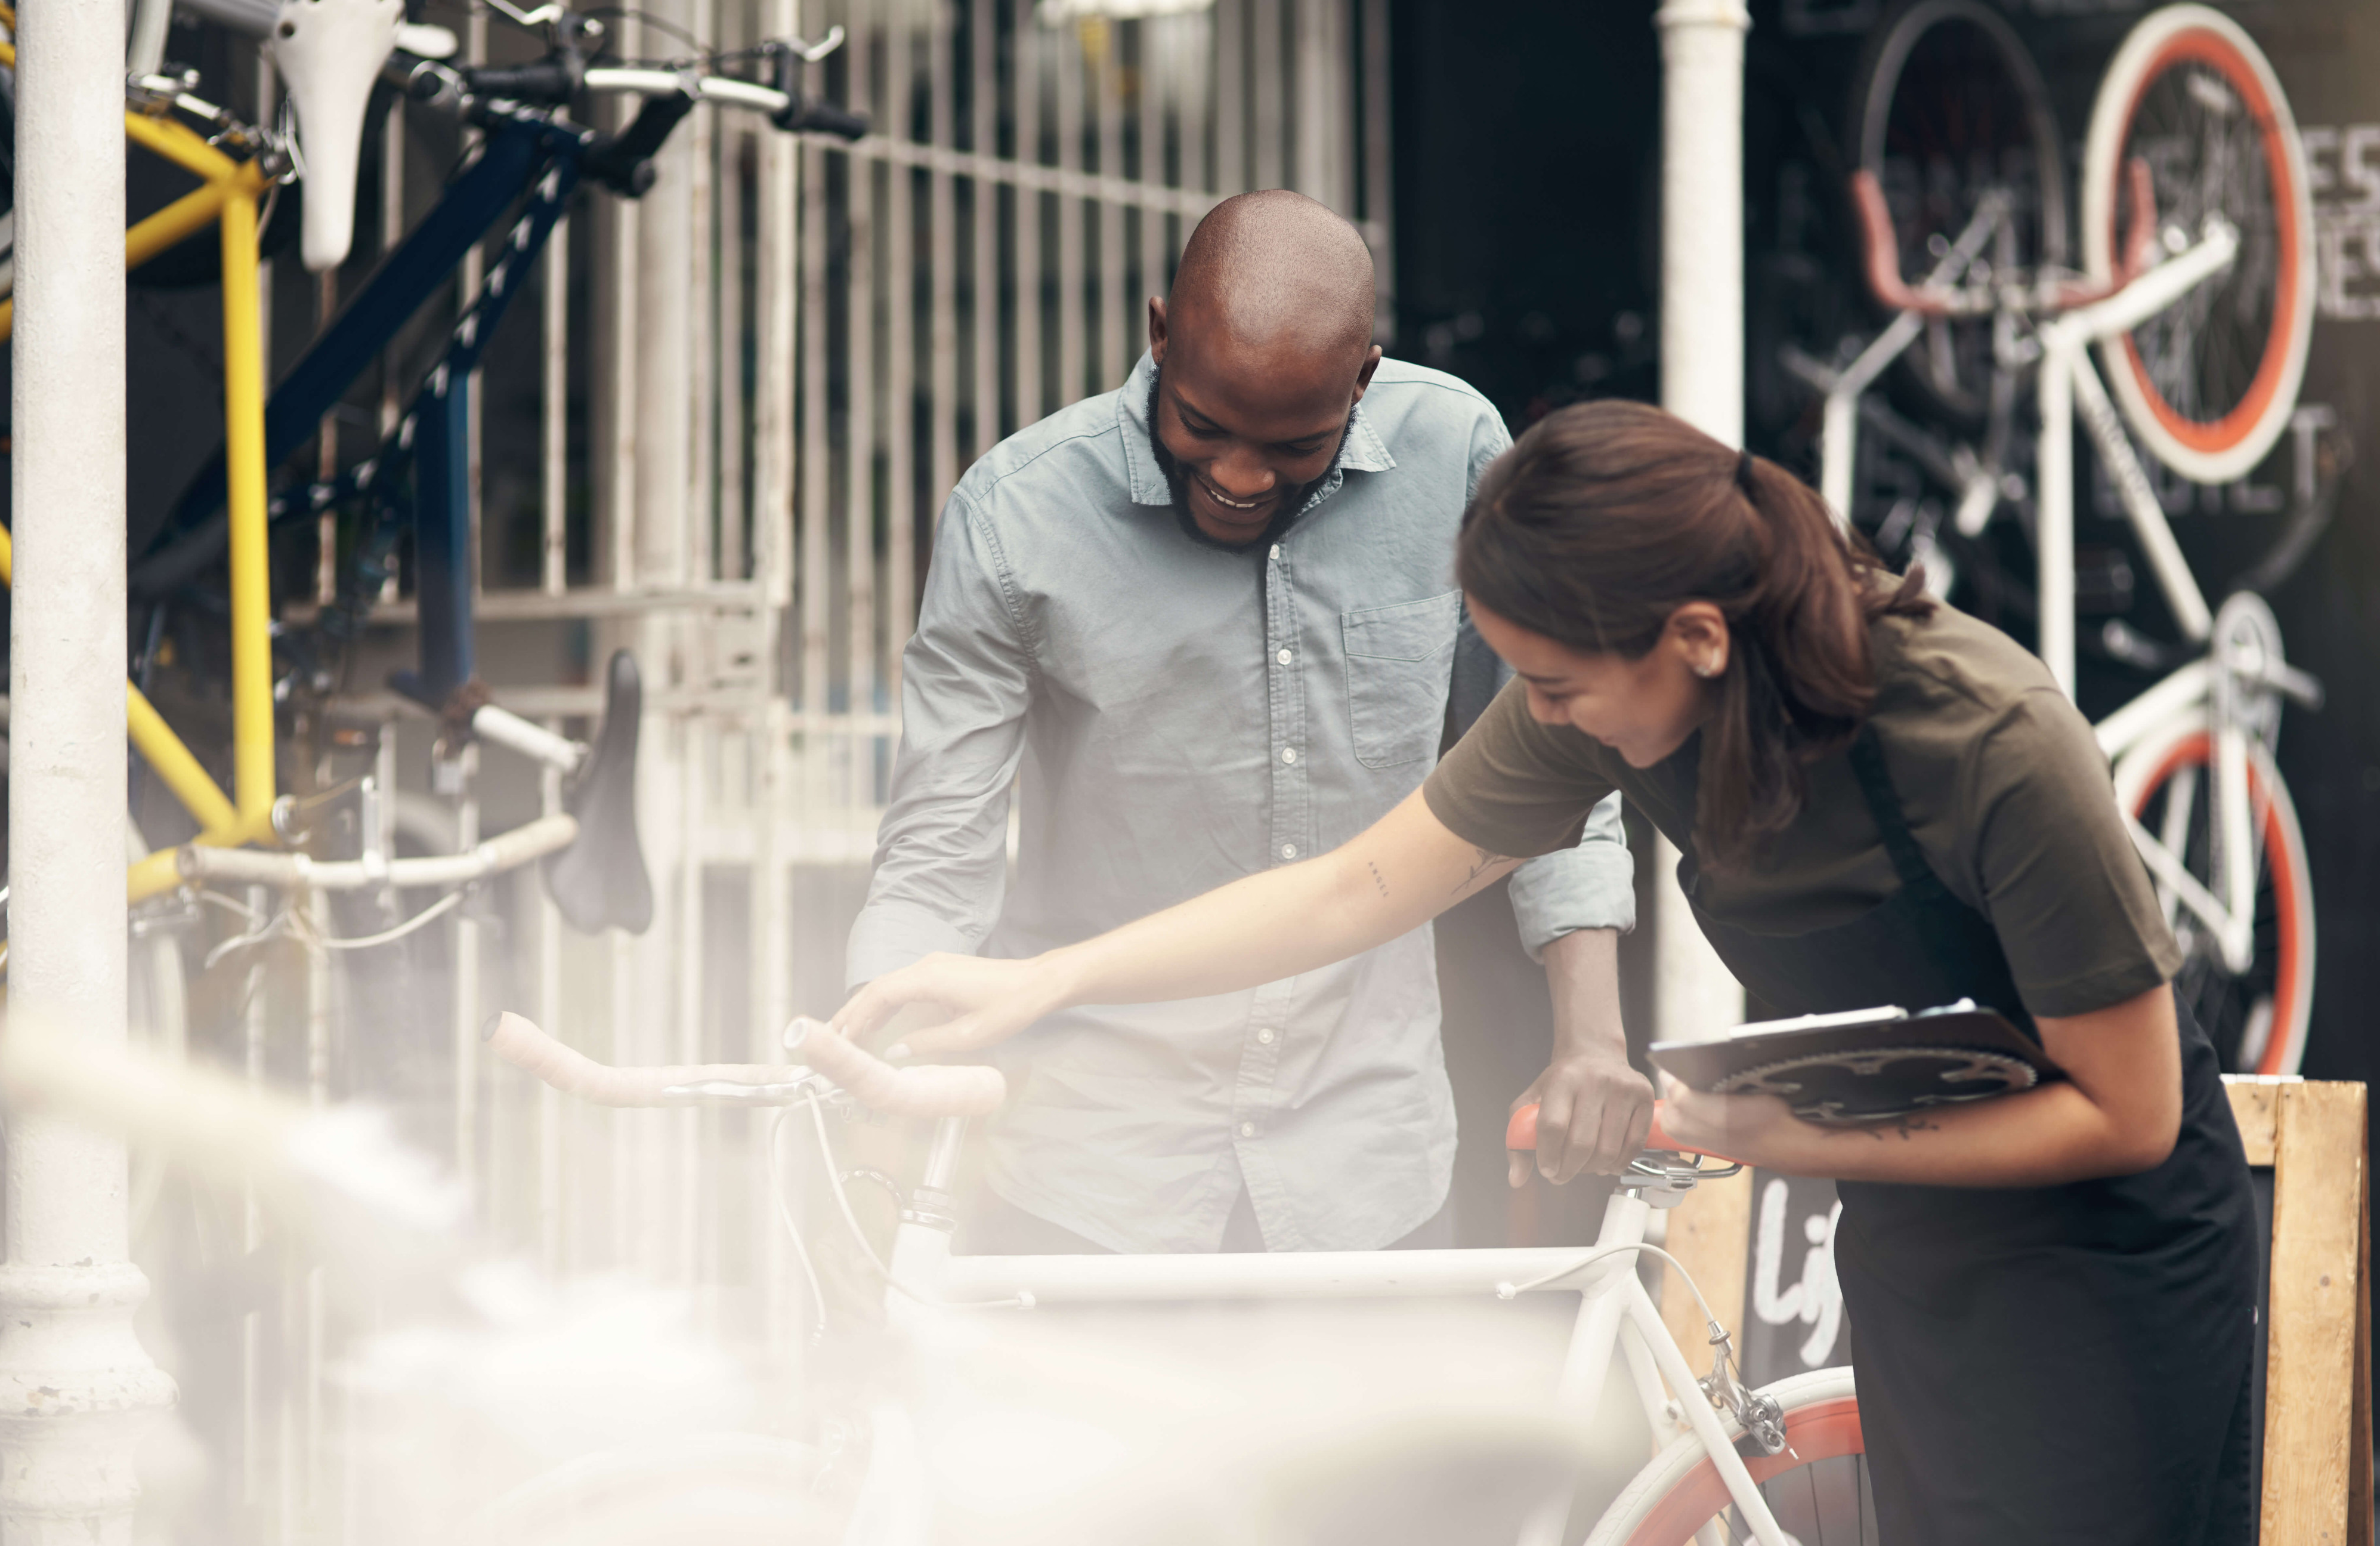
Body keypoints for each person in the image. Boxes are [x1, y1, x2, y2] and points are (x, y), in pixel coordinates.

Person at [836, 399, 2257, 1543]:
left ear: (1694, 639)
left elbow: (2120, 1113)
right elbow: (1351, 888)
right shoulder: (1603, 699)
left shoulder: (1987, 740)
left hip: (2111, 1257)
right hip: (1908, 1232)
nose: (1545, 717)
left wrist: (1774, 1132)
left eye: (1561, 686)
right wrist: (1039, 982)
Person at [846, 190, 1637, 1256]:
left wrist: (1592, 1036)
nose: (1238, 475)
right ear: (1160, 331)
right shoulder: (1015, 516)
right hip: (1093, 1170)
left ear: (1363, 377)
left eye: (1294, 444)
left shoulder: (1455, 454)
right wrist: (874, 1065)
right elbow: (938, 851)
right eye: (1204, 426)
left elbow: (1554, 769)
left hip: (1368, 1161)